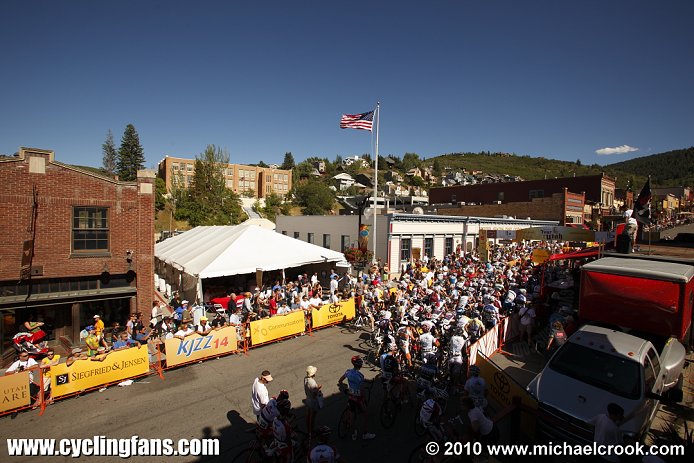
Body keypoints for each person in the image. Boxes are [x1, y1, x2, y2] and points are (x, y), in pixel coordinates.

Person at [337, 356, 375, 440]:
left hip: (350, 395)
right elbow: (361, 389)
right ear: (360, 365)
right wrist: (364, 398)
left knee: (351, 414)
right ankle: (365, 433)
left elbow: (340, 380)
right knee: (365, 414)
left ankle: (354, 432)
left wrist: (344, 388)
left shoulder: (348, 372)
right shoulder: (360, 375)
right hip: (358, 398)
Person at [270, 398, 294, 463]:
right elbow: (291, 436)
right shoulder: (285, 426)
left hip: (277, 441)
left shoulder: (275, 419)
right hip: (285, 447)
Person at [304, 366, 322, 435]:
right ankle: (311, 431)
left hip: (308, 398)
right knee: (312, 417)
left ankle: (308, 430)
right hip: (312, 401)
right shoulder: (312, 382)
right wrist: (318, 388)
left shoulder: (306, 379)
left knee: (308, 416)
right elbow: (314, 394)